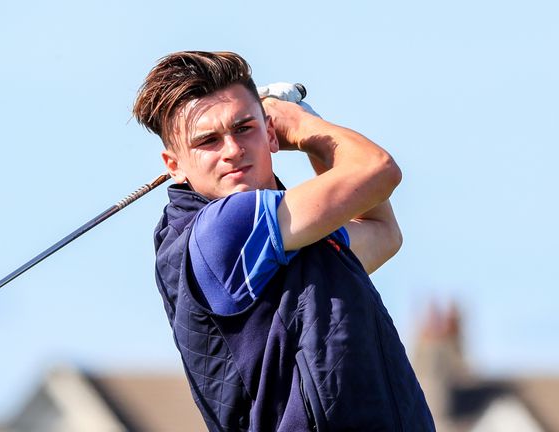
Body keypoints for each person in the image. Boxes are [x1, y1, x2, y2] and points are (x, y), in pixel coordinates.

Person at [133, 51, 434, 431]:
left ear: (270, 134)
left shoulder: (289, 239)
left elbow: (381, 230)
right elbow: (377, 170)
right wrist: (305, 126)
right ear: (174, 165)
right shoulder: (224, 228)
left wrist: (312, 133)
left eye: (244, 128)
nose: (233, 150)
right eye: (208, 141)